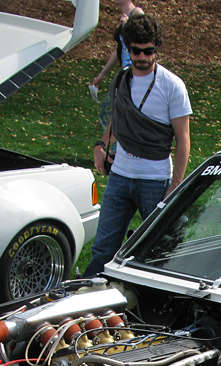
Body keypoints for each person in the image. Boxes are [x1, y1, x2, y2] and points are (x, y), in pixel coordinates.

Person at [82, 14, 191, 277]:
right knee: (103, 249)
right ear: (127, 49)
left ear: (156, 49)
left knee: (158, 250)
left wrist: (175, 185)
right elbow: (116, 122)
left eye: (148, 51)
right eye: (136, 51)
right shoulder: (121, 80)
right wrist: (101, 145)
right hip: (120, 176)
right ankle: (89, 293)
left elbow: (183, 138)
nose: (142, 57)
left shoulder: (172, 86)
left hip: (154, 180)